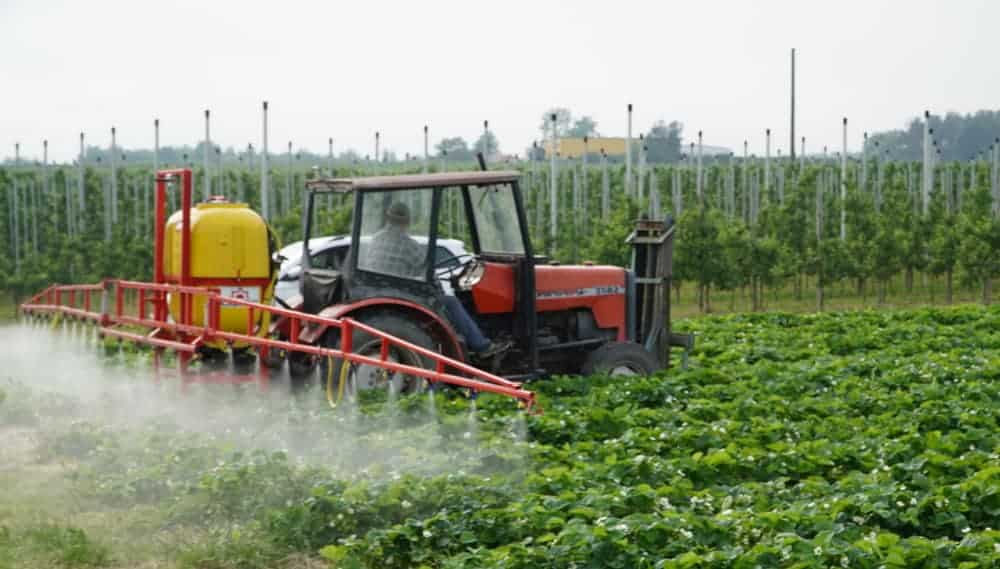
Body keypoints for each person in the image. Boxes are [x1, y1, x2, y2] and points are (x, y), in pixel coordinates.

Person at [367, 202, 510, 359]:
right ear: (407, 222)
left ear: (388, 218)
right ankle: (481, 345)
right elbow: (428, 273)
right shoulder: (408, 245)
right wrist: (441, 287)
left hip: (382, 289)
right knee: (451, 302)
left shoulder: (376, 239)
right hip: (402, 293)